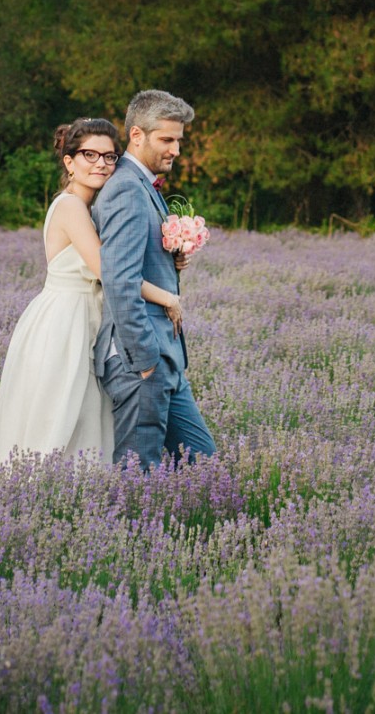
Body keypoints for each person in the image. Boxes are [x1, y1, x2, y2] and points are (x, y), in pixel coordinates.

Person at [0, 117, 183, 468]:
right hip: (66, 321)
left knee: (91, 419)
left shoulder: (92, 207)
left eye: (109, 157)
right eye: (89, 155)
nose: (101, 164)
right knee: (64, 418)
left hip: (87, 316)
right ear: (69, 162)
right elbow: (109, 272)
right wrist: (167, 297)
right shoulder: (70, 207)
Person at [92, 89, 216, 469]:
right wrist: (145, 361)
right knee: (138, 471)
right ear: (136, 136)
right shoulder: (127, 190)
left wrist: (171, 260)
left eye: (179, 140)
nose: (176, 150)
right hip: (144, 359)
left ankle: (177, 527)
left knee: (201, 459)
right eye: (167, 139)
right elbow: (119, 281)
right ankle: (128, 529)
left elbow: (137, 261)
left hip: (167, 356)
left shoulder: (145, 187)